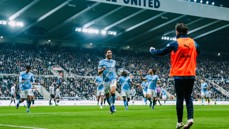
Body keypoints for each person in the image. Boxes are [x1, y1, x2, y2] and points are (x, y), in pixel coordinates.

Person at [150, 23, 200, 129]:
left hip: (179, 74)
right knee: (188, 97)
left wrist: (152, 50)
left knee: (180, 98)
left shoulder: (175, 43)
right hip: (191, 74)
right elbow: (198, 51)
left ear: (177, 31)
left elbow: (161, 52)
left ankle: (179, 122)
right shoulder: (194, 43)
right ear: (187, 32)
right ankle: (190, 118)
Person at [98, 49, 117, 114]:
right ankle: (111, 105)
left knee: (113, 92)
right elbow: (98, 72)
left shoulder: (114, 61)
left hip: (113, 78)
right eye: (108, 53)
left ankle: (113, 106)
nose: (110, 54)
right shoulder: (101, 62)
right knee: (107, 95)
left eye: (111, 52)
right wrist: (103, 69)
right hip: (105, 80)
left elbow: (113, 70)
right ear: (105, 54)